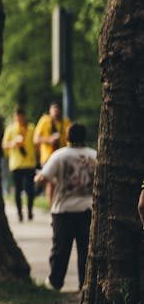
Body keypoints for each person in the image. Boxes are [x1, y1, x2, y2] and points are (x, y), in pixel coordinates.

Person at [34, 123, 96, 291]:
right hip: (88, 210)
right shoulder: (94, 155)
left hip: (63, 210)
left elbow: (43, 178)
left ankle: (55, 282)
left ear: (67, 137)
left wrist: (38, 177)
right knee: (86, 249)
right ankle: (85, 284)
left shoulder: (60, 155)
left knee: (60, 249)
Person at [2, 108, 38, 222]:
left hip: (30, 163)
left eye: (21, 116)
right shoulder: (11, 129)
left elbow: (36, 143)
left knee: (30, 189)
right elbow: (4, 145)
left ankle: (30, 211)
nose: (19, 119)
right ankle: (19, 213)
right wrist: (14, 143)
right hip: (16, 163)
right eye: (17, 116)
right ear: (15, 117)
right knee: (18, 190)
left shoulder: (31, 128)